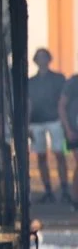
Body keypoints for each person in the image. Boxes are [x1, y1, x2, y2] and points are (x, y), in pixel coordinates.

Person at [28, 48, 69, 203]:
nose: (42, 60)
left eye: (44, 57)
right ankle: (48, 190)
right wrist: (27, 124)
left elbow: (63, 101)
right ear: (36, 61)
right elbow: (29, 103)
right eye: (39, 57)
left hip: (54, 119)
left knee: (59, 154)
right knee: (41, 156)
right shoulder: (31, 81)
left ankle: (64, 188)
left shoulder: (58, 79)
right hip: (36, 121)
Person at [59, 70, 78, 209]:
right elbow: (61, 106)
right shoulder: (73, 81)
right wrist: (68, 129)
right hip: (74, 130)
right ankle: (75, 199)